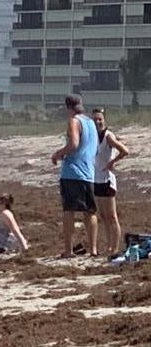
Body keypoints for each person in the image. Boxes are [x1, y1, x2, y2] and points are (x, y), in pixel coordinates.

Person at [51, 95, 99, 257]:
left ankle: (68, 250)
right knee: (90, 211)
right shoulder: (91, 123)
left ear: (68, 107)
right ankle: (93, 249)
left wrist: (58, 154)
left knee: (69, 210)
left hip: (73, 172)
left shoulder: (74, 121)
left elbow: (74, 144)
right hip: (89, 173)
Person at [92, 107, 131, 255]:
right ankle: (109, 246)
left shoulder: (108, 136)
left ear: (104, 119)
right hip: (96, 180)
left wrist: (112, 162)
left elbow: (125, 151)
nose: (97, 122)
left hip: (107, 180)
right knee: (103, 216)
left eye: (100, 119)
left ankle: (114, 248)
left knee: (112, 216)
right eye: (95, 119)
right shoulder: (94, 136)